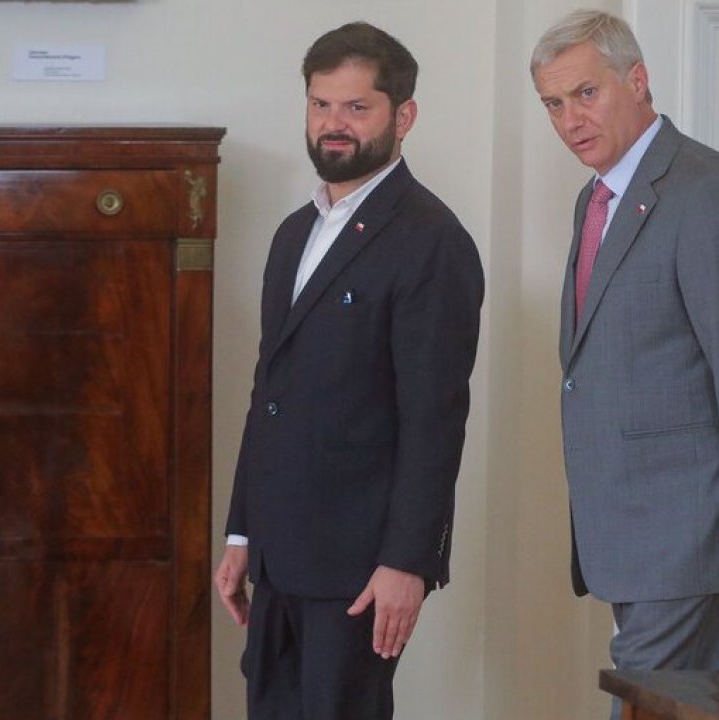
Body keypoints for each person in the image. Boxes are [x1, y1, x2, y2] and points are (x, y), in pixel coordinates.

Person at [214, 21, 484, 720]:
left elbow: (434, 419)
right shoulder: (292, 235)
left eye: (357, 107)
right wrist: (242, 533)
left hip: (359, 569)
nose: (334, 124)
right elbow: (268, 394)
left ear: (404, 116)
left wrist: (409, 562)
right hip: (276, 558)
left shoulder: (433, 241)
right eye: (321, 105)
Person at [530, 9, 719, 710]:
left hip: (688, 535)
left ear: (638, 80)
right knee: (689, 708)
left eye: (586, 93)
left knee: (647, 704)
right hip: (631, 535)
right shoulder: (597, 198)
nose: (570, 120)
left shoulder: (704, 190)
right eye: (553, 104)